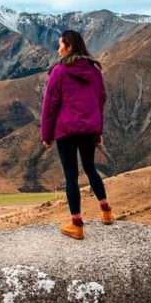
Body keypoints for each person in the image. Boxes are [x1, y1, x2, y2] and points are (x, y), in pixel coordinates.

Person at [40, 30, 113, 240]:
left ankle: (77, 225)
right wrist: (98, 130)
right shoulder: (94, 70)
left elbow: (50, 106)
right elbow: (101, 99)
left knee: (71, 176)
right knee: (90, 168)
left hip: (67, 130)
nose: (58, 49)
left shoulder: (59, 71)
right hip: (89, 129)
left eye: (60, 44)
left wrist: (47, 134)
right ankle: (107, 212)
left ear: (69, 47)